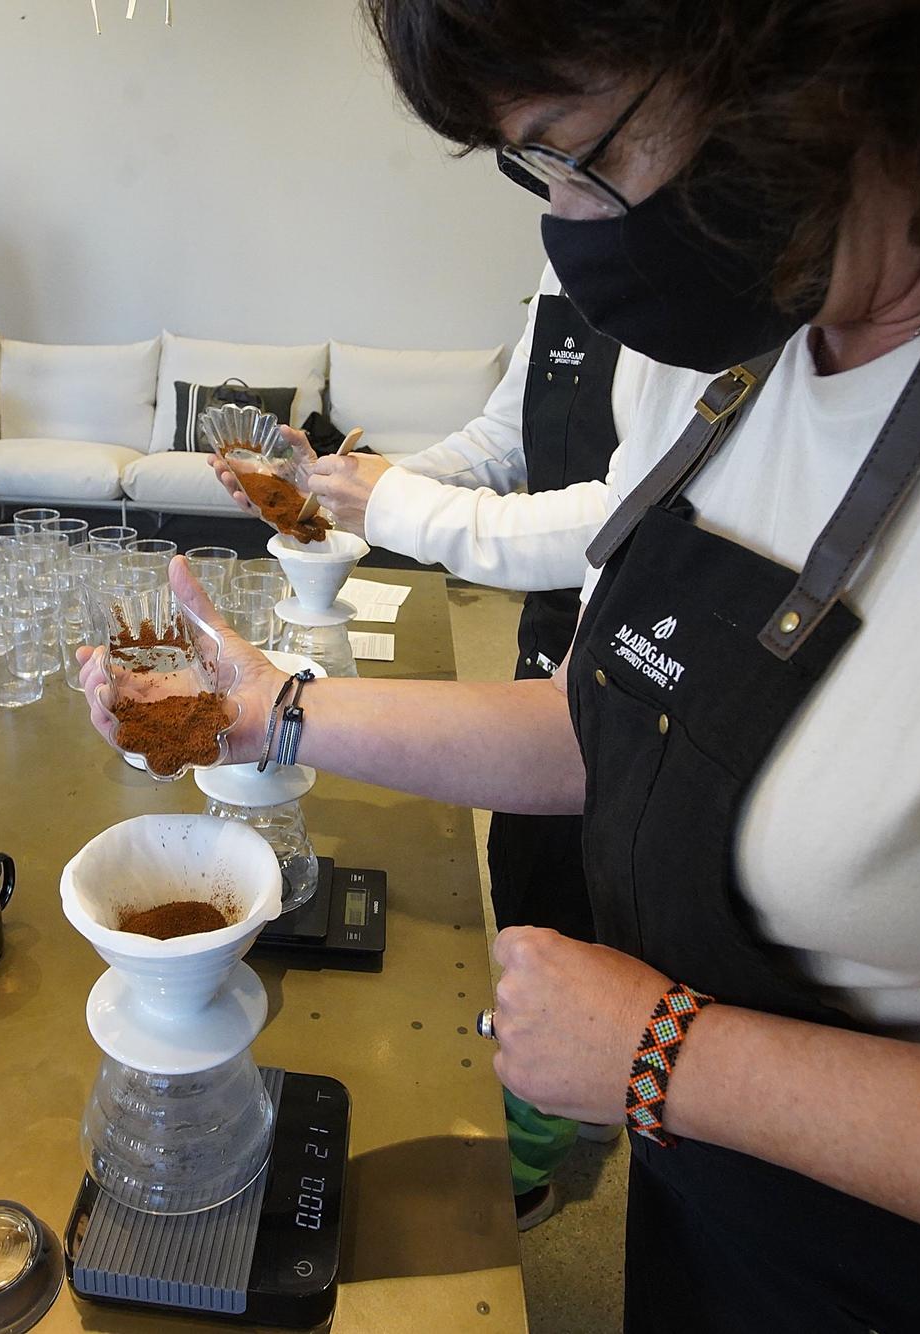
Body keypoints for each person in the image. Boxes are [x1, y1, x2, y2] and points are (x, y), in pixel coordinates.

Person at [88, 0, 920, 1327]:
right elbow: (612, 717)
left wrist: (672, 1057)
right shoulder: (758, 302)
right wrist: (277, 713)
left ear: (811, 56)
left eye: (573, 148)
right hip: (713, 1224)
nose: (565, 217)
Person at [215, 257, 645, 1228]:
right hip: (552, 634)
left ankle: (537, 1150)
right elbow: (504, 439)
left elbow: (630, 511)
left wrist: (397, 508)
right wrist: (340, 482)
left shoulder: (697, 291)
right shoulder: (564, 256)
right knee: (529, 868)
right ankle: (558, 1086)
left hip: (636, 636)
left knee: (594, 893)